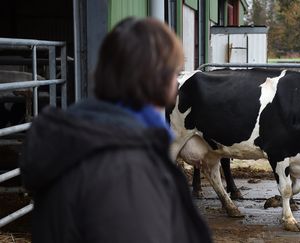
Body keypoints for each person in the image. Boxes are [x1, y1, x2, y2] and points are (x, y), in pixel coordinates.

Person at [19, 17, 212, 243]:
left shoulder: (79, 143)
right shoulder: (127, 169)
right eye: (174, 72)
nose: (177, 83)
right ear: (158, 79)